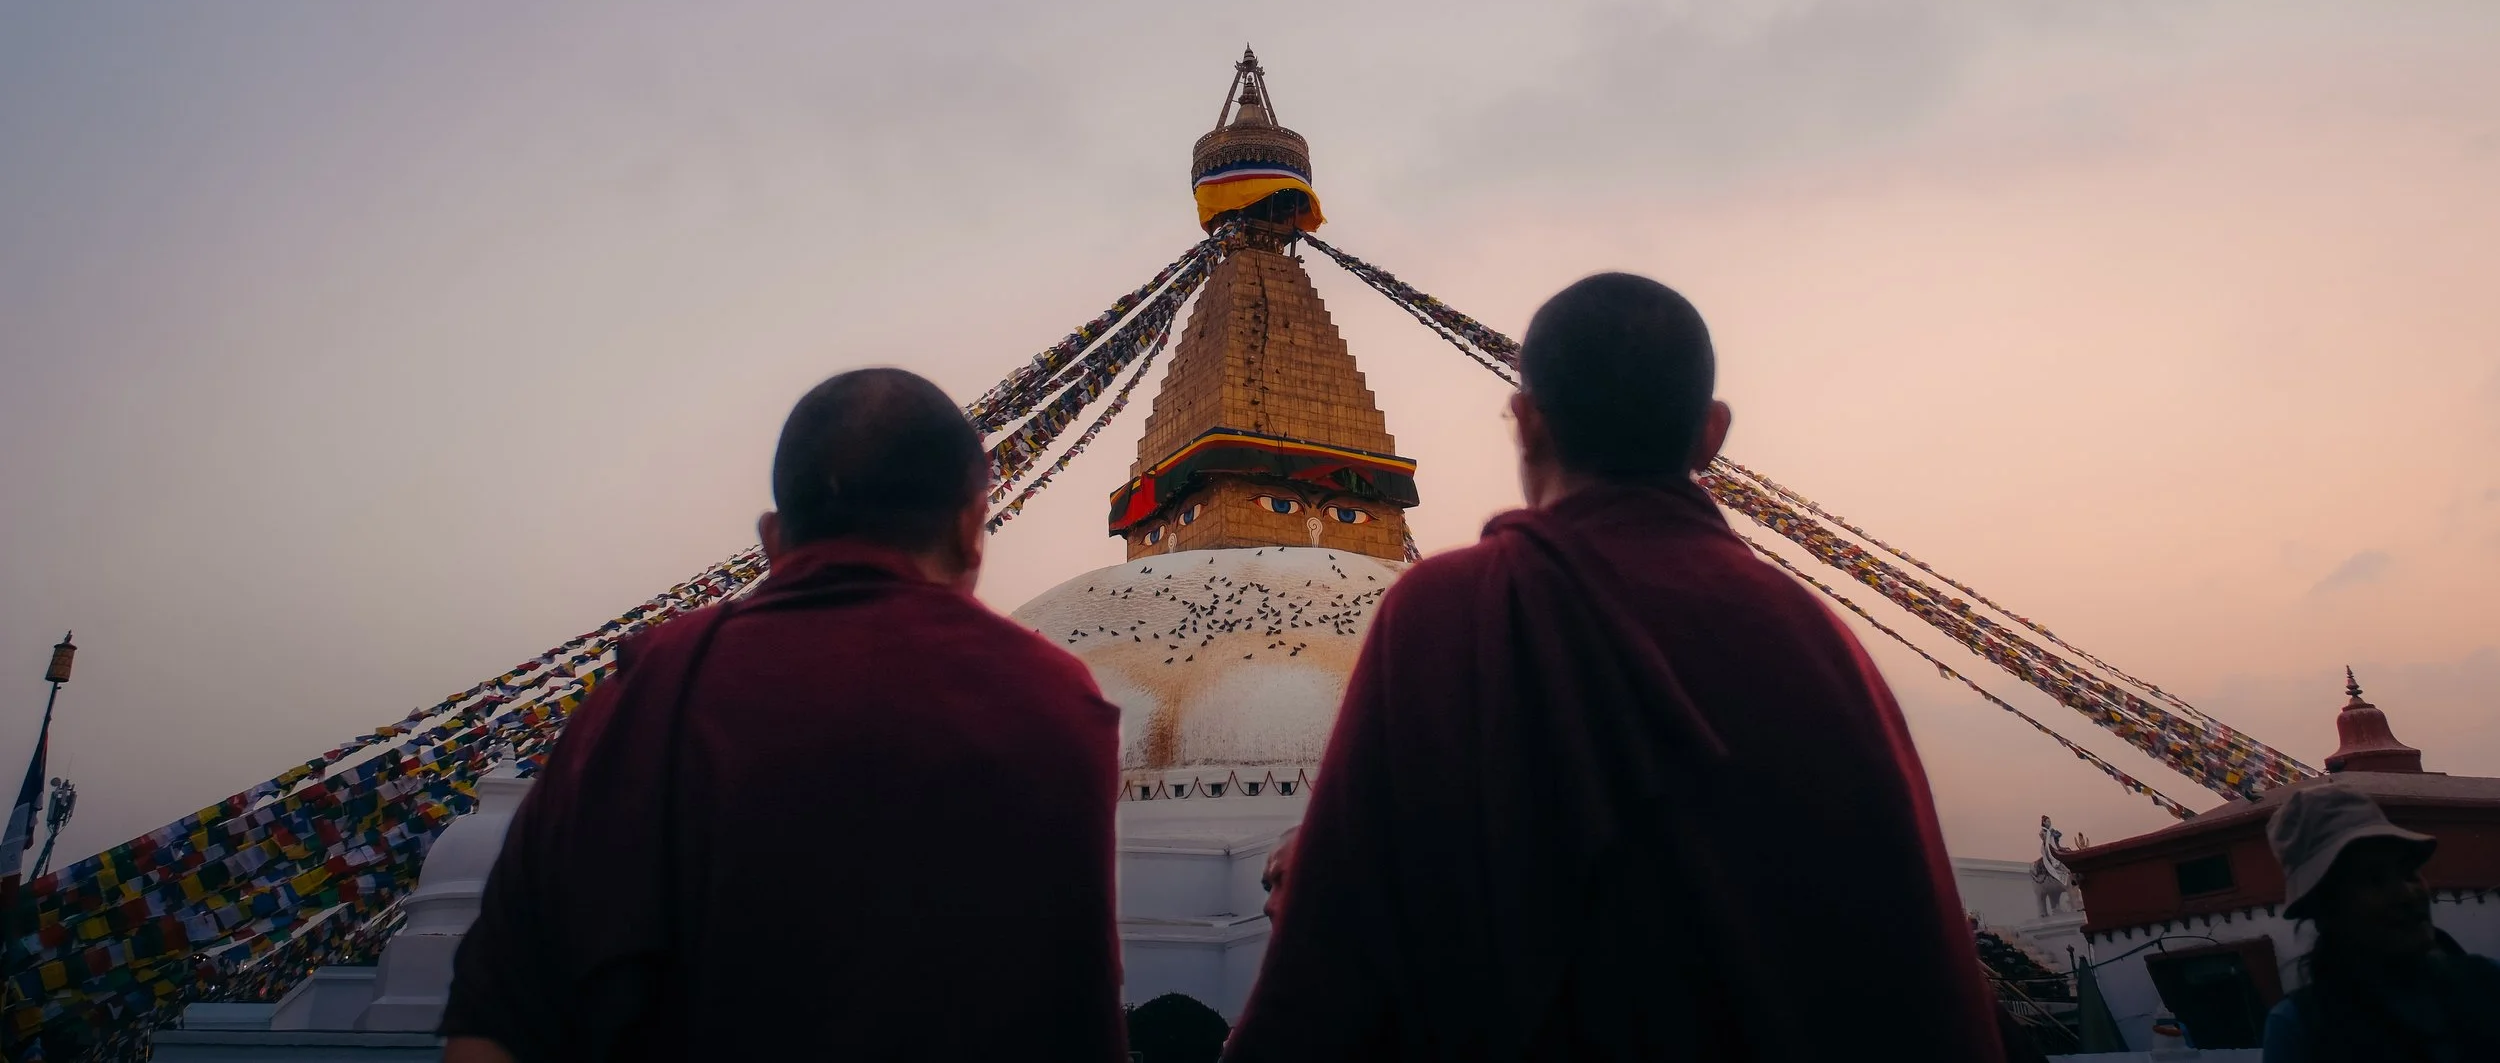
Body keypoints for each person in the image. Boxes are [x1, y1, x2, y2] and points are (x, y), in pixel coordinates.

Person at [1224, 273, 2005, 1062]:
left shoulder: (1453, 608)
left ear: (1525, 424)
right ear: (1712, 433)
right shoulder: (1819, 636)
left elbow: (1327, 972)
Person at [442, 368, 1126, 1062]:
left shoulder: (646, 689)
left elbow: (493, 1022)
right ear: (972, 526)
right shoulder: (1054, 699)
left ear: (772, 535)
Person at [2261, 781, 2500, 1062]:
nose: (2407, 894)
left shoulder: (2486, 983)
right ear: (2325, 908)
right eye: (2373, 880)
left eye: (2409, 873)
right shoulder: (2300, 1030)